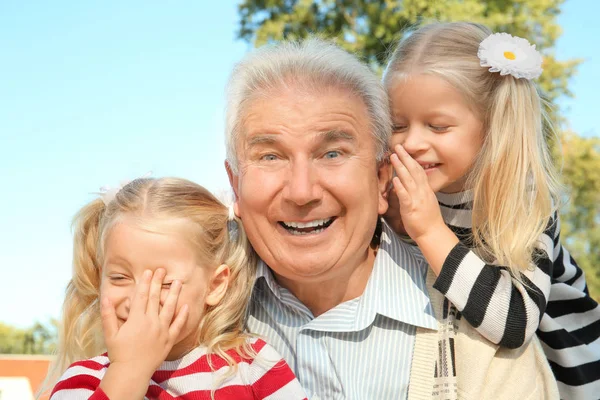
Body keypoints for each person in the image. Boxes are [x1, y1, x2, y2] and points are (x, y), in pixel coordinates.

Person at [224, 37, 558, 399]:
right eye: (270, 157)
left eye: (332, 153)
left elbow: (514, 322)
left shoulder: (483, 345)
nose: (302, 192)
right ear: (235, 184)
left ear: (382, 177)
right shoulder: (186, 310)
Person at [383, 21, 600, 399]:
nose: (412, 142)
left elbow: (515, 323)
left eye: (437, 126)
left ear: (491, 127)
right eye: (397, 125)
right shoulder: (403, 183)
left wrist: (430, 231)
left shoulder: (523, 198)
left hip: (566, 374)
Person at [43, 177, 307, 400]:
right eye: (120, 278)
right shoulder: (84, 380)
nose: (138, 300)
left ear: (214, 286)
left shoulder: (253, 366)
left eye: (164, 283)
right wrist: (128, 371)